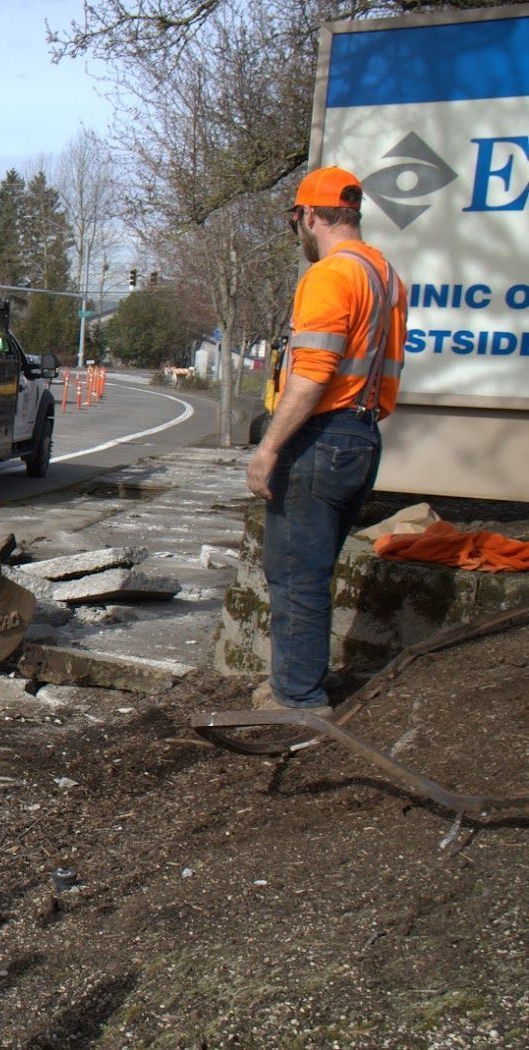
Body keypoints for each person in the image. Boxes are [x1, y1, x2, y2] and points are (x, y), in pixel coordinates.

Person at [245, 166, 407, 714]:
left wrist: (269, 449)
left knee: (294, 574)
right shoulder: (384, 275)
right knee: (311, 569)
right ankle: (296, 681)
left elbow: (314, 373)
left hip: (322, 438)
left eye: (297, 221)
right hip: (362, 436)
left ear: (310, 216)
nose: (299, 233)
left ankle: (297, 697)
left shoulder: (331, 276)